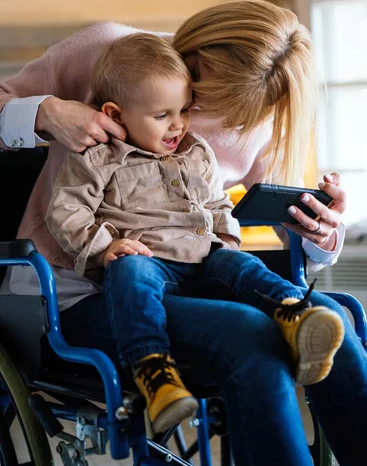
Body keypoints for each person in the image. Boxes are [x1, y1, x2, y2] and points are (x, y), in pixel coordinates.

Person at [0, 0, 367, 466]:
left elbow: (286, 232)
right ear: (197, 42)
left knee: (329, 314)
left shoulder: (256, 112)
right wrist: (46, 112)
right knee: (249, 338)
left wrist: (320, 232)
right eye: (199, 88)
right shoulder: (104, 51)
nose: (191, 115)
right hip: (76, 289)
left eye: (224, 109)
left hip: (190, 276)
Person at [45, 32, 344, 433]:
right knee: (129, 271)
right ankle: (157, 374)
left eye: (184, 110)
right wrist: (105, 247)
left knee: (242, 264)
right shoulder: (97, 158)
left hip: (203, 258)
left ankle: (296, 312)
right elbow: (65, 210)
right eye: (162, 115)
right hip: (149, 261)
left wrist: (227, 241)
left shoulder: (195, 150)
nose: (178, 125)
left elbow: (218, 203)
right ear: (116, 115)